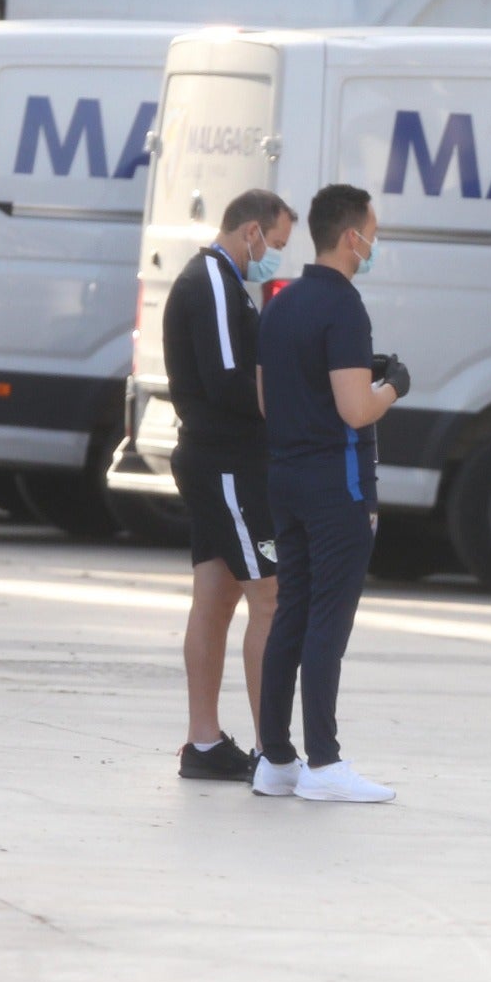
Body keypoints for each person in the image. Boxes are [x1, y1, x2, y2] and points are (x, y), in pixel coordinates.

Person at [250, 184, 409, 803]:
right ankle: (325, 762)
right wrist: (393, 383)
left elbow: (268, 401)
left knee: (291, 612)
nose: (374, 241)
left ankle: (276, 759)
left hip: (284, 477)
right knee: (327, 622)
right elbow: (355, 408)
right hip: (335, 485)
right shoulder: (344, 307)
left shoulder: (280, 303)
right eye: (373, 230)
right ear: (352, 237)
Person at [167, 188, 298, 780]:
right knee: (270, 596)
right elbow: (227, 381)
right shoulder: (215, 283)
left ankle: (204, 743)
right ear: (251, 232)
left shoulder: (220, 281)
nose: (275, 257)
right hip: (227, 466)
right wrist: (302, 403)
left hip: (217, 462)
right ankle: (274, 750)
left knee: (217, 599)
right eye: (275, 244)